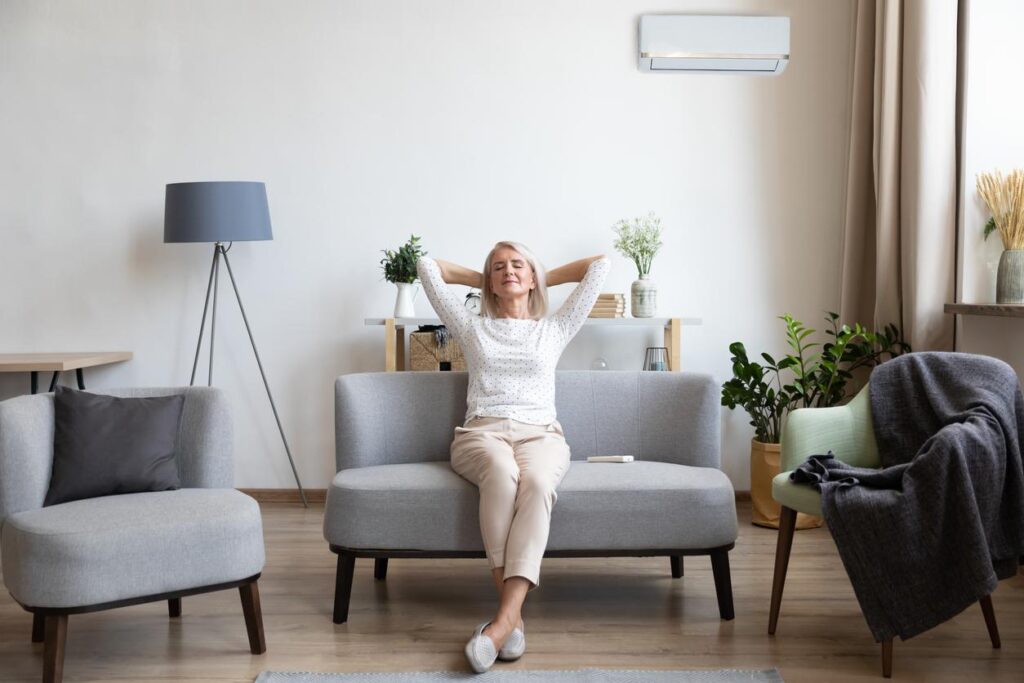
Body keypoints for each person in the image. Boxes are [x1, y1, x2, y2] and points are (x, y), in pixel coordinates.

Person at [416, 242, 610, 673]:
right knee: (502, 476)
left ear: (532, 276)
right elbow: (426, 267)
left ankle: (502, 624)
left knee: (538, 484)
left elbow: (599, 265)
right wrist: (480, 277)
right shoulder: (472, 327)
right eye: (498, 267)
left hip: (542, 435)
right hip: (482, 433)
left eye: (517, 265)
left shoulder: (554, 328)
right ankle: (511, 619)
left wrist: (540, 273)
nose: (508, 272)